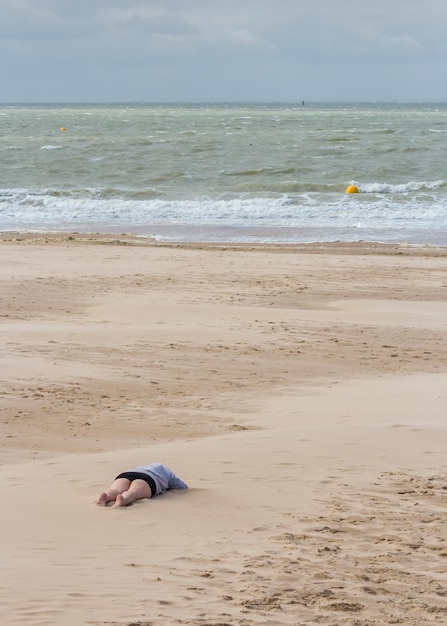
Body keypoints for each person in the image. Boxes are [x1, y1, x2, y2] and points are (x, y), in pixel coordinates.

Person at [96, 462, 188, 507]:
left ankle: (106, 496)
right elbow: (181, 486)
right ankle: (122, 500)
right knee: (133, 492)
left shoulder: (141, 467)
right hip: (148, 478)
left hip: (126, 474)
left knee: (115, 490)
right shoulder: (166, 471)